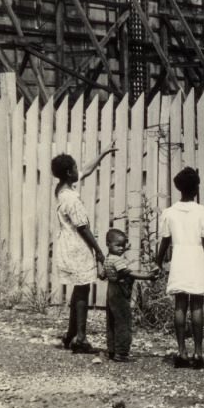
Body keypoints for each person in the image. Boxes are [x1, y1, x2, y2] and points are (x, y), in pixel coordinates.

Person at [52, 148, 115, 353]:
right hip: (77, 245)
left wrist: (103, 153)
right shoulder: (71, 199)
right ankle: (80, 338)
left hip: (67, 244)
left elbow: (86, 170)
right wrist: (98, 250)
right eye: (75, 168)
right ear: (70, 173)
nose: (79, 170)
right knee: (83, 290)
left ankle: (72, 334)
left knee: (79, 289)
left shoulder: (61, 188)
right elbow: (82, 227)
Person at [156, 167, 204, 369]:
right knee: (197, 305)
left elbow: (164, 241)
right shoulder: (202, 212)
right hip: (197, 257)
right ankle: (198, 354)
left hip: (180, 258)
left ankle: (181, 353)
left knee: (180, 305)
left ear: (179, 188)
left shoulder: (169, 212)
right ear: (196, 188)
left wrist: (158, 261)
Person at [103, 228, 160, 362]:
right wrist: (148, 276)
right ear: (108, 244)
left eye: (123, 245)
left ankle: (112, 349)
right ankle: (121, 352)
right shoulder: (117, 260)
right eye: (117, 245)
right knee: (123, 320)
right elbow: (129, 273)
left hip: (111, 289)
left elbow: (102, 275)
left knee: (112, 320)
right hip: (119, 291)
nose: (121, 248)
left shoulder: (108, 259)